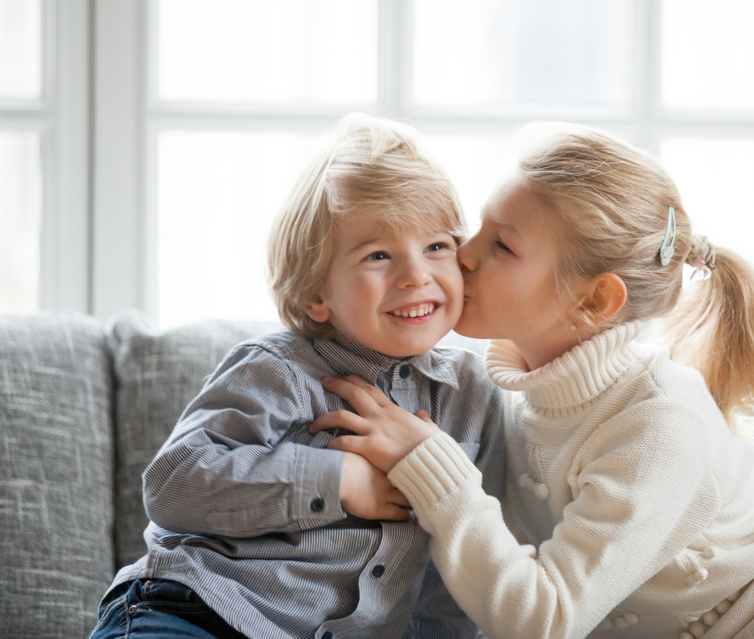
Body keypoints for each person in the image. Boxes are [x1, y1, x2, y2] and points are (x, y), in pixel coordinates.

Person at [313, 121, 754, 639]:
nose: (463, 251)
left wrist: (433, 465)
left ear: (594, 302)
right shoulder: (492, 391)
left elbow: (542, 617)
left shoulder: (659, 422)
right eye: (476, 226)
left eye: (503, 245)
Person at [89, 114, 504, 639]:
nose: (416, 274)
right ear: (316, 294)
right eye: (379, 255)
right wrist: (339, 480)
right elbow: (172, 486)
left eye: (437, 246)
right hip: (198, 609)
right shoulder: (278, 368)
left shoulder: (474, 394)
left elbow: (460, 569)